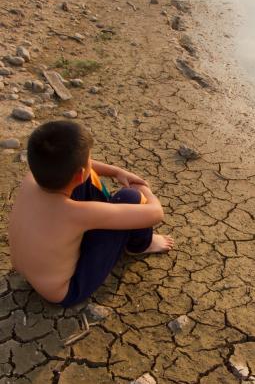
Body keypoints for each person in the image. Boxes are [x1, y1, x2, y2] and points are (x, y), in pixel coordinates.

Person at [8, 120, 173, 308]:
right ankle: (140, 245)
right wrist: (144, 190)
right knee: (130, 197)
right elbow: (155, 213)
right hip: (66, 291)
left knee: (79, 178)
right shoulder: (77, 214)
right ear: (79, 173)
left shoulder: (32, 178)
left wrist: (116, 172)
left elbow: (81, 167)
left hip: (27, 271)